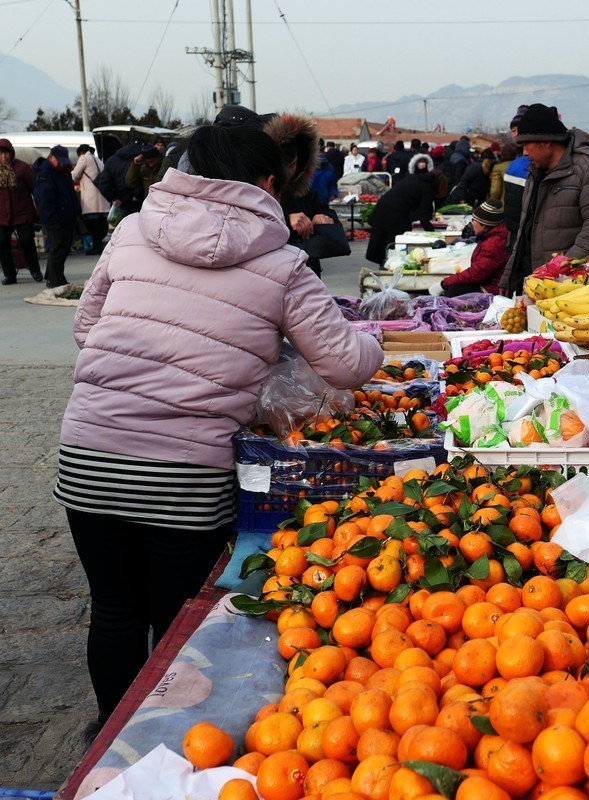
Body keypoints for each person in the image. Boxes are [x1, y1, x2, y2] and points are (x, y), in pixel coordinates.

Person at [55, 122, 382, 737]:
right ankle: (160, 742)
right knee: (175, 616)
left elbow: (86, 329)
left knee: (115, 608)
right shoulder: (282, 262)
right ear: (267, 182)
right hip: (187, 474)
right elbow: (343, 362)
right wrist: (373, 338)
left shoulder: (130, 231)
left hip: (89, 456)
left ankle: (108, 732)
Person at [499, 103, 589, 296]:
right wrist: (509, 274)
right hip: (538, 284)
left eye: (527, 145)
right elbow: (524, 230)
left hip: (574, 289)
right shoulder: (534, 173)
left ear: (546, 142)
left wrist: (557, 272)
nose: (524, 153)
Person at [269, 115, 343, 277]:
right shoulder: (258, 190)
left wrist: (322, 217)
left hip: (309, 272)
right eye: (285, 165)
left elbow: (327, 212)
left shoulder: (303, 190)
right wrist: (287, 221)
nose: (289, 171)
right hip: (275, 274)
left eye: (293, 165)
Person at [0, 138, 43, 285]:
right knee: (2, 243)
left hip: (22, 213)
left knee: (27, 241)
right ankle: (9, 274)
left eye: (6, 154)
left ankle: (35, 270)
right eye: (0, 154)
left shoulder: (22, 168)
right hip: (1, 214)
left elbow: (34, 190)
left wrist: (38, 211)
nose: (3, 157)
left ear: (11, 154)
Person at [364, 153, 438, 266]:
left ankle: (385, 264)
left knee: (384, 243)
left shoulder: (412, 178)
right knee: (393, 243)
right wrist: (433, 234)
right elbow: (424, 213)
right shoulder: (427, 186)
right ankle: (388, 266)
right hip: (394, 214)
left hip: (384, 209)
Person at [429, 199, 507, 296]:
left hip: (492, 289)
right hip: (487, 283)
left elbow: (477, 273)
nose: (472, 223)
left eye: (474, 220)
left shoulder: (494, 243)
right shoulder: (491, 238)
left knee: (454, 291)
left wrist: (444, 284)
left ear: (484, 225)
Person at [33, 145, 77, 288]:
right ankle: (54, 279)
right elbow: (44, 200)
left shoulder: (63, 171)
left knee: (63, 248)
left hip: (66, 217)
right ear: (51, 157)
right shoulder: (45, 172)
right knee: (57, 248)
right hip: (54, 218)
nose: (62, 163)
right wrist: (51, 220)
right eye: (59, 160)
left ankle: (55, 275)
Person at [501, 106, 531, 252]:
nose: (516, 135)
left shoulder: (531, 164)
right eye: (513, 130)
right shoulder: (517, 163)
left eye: (519, 129)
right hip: (515, 232)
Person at [72, 144, 108, 256]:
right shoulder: (99, 160)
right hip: (102, 198)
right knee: (101, 223)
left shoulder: (84, 158)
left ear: (81, 152)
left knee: (93, 224)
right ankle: (99, 246)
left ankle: (96, 246)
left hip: (91, 199)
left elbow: (74, 175)